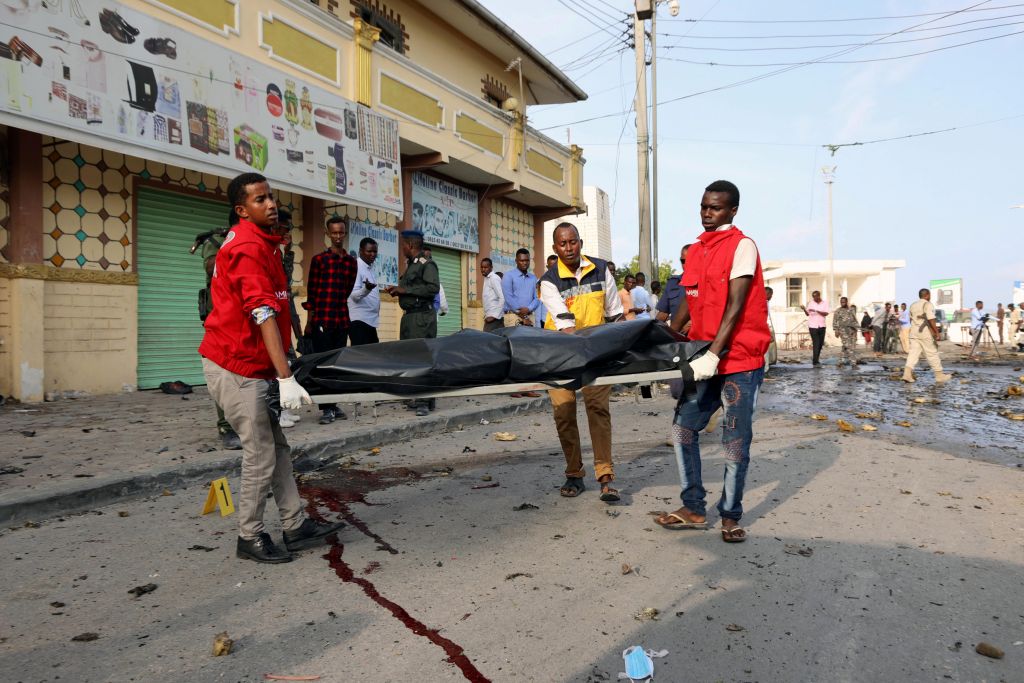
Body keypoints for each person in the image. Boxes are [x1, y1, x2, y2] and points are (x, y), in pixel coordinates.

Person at [199, 172, 344, 563]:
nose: (271, 204)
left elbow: (278, 308)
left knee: (278, 448)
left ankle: (295, 525)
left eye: (271, 197)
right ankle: (249, 535)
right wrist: (285, 378)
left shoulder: (267, 243)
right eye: (260, 200)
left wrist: (286, 361)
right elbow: (262, 312)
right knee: (261, 452)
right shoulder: (246, 247)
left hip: (253, 363)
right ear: (241, 209)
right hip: (236, 367)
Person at [660, 180, 771, 544]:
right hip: (701, 357)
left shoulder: (742, 247)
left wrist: (713, 353)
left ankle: (730, 515)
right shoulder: (695, 250)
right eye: (705, 206)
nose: (708, 213)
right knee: (682, 429)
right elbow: (687, 301)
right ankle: (693, 506)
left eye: (716, 208)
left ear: (733, 210)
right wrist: (664, 341)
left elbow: (735, 307)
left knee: (735, 440)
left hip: (738, 358)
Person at [539, 222, 624, 502]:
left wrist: (619, 351)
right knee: (564, 413)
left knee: (598, 409)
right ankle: (574, 474)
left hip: (596, 354)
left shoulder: (601, 270)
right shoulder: (549, 281)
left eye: (572, 242)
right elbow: (565, 325)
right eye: (562, 244)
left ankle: (605, 475)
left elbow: (614, 315)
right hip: (560, 355)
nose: (568, 248)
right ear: (555, 248)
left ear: (580, 242)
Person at [304, 216, 357, 424]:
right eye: (334, 232)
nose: (337, 236)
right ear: (328, 234)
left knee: (337, 365)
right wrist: (310, 322)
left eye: (341, 232)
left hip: (342, 320)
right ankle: (326, 408)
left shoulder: (350, 262)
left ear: (345, 233)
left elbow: (348, 289)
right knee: (322, 365)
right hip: (322, 321)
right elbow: (312, 293)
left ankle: (333, 404)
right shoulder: (319, 260)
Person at [198, 211, 242, 451]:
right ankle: (226, 426)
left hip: (247, 317)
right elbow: (211, 267)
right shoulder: (218, 241)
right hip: (220, 317)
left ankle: (245, 421)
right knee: (223, 372)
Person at [384, 230, 440, 416]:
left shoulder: (426, 264)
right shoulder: (412, 265)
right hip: (410, 317)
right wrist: (399, 290)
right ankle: (422, 397)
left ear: (410, 245)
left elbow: (432, 288)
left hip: (421, 317)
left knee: (422, 358)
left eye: (403, 246)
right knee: (410, 358)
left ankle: (425, 400)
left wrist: (405, 290)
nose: (402, 250)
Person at [903, 288, 952, 383]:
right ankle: (939, 375)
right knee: (932, 353)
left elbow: (910, 319)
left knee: (913, 353)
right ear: (927, 295)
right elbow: (931, 319)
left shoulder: (913, 305)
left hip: (914, 331)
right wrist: (936, 332)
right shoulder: (928, 304)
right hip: (924, 332)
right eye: (930, 295)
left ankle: (907, 374)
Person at [348, 237, 380, 345]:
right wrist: (367, 289)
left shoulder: (369, 268)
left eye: (375, 251)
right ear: (361, 251)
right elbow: (354, 296)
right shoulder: (356, 266)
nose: (373, 254)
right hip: (359, 322)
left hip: (370, 322)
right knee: (360, 358)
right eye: (369, 251)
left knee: (372, 357)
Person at [502, 247, 540, 326]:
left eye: (527, 260)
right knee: (513, 339)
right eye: (522, 260)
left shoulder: (534, 278)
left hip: (530, 317)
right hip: (513, 317)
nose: (525, 263)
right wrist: (524, 317)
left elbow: (537, 298)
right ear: (516, 261)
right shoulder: (508, 276)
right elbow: (509, 298)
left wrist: (528, 309)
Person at [656, 245, 688, 323]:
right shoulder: (673, 283)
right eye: (683, 261)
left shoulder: (706, 283)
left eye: (690, 260)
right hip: (676, 333)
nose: (685, 264)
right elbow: (663, 314)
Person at [801, 290, 829, 366]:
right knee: (816, 343)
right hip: (812, 326)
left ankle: (816, 359)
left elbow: (826, 313)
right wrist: (804, 309)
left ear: (819, 296)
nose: (814, 298)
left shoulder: (825, 303)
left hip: (822, 325)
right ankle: (815, 361)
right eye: (813, 296)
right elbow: (807, 314)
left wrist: (816, 310)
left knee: (820, 344)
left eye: (815, 296)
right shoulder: (811, 303)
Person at [832, 296, 859, 367]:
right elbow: (835, 321)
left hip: (852, 331)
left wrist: (856, 329)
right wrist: (836, 330)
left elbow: (855, 320)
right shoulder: (838, 311)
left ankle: (840, 362)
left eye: (843, 302)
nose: (842, 303)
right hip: (843, 331)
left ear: (847, 302)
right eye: (841, 302)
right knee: (849, 347)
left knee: (846, 347)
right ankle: (853, 363)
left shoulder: (851, 310)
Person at [480, 257, 505, 332]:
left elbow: (502, 298)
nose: (483, 269)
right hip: (490, 317)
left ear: (491, 267)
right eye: (481, 267)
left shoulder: (494, 278)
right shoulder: (487, 278)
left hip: (494, 319)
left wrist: (494, 316)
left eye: (485, 267)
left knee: (487, 340)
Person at [534, 254, 559, 328]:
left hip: (561, 321)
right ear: (547, 267)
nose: (554, 269)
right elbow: (538, 303)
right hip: (546, 321)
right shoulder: (541, 281)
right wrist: (538, 325)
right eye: (552, 267)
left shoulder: (565, 280)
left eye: (556, 266)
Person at [764, 285, 777, 370]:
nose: (771, 297)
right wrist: (768, 332)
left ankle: (767, 366)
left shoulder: (766, 303)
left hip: (767, 327)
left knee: (767, 349)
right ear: (767, 293)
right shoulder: (763, 303)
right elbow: (764, 319)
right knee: (765, 350)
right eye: (771, 294)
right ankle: (766, 369)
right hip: (765, 328)